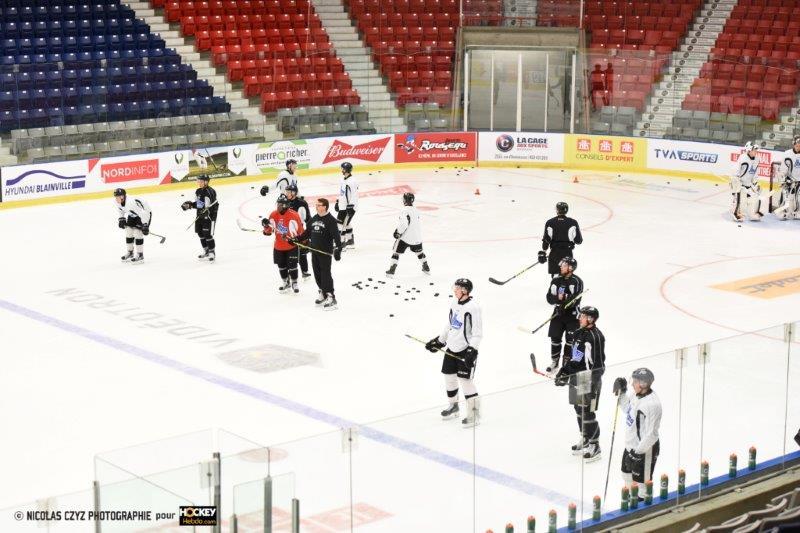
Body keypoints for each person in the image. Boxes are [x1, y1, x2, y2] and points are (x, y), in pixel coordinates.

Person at [425, 278, 483, 428]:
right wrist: (440, 341)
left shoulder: (474, 308)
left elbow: (477, 333)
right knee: (449, 378)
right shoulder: (454, 303)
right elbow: (450, 324)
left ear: (464, 290)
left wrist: (472, 350)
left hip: (465, 350)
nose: (454, 290)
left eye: (457, 288)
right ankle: (454, 406)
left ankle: (474, 414)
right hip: (452, 348)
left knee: (466, 382)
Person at [555, 306, 605, 461]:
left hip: (588, 378)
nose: (579, 318)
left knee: (587, 411)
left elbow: (598, 364)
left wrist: (593, 383)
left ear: (591, 319)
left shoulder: (595, 337)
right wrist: (564, 371)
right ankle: (585, 438)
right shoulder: (578, 333)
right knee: (578, 408)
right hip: (577, 376)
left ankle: (595, 444)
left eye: (583, 316)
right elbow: (574, 358)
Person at [290, 198, 342, 309]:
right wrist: (296, 239)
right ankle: (322, 292)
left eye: (319, 205)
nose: (316, 207)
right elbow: (306, 233)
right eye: (316, 205)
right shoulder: (314, 219)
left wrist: (338, 249)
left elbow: (337, 237)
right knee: (317, 273)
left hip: (325, 253)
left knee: (325, 274)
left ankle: (331, 296)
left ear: (325, 207)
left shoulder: (330, 220)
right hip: (314, 251)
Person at [613, 368, 662, 486]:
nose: (632, 384)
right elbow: (627, 409)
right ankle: (631, 503)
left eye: (635, 381)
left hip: (645, 451)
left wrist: (637, 454)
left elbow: (652, 435)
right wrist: (622, 393)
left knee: (642, 486)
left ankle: (642, 503)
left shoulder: (652, 405)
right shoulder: (636, 395)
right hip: (630, 447)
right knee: (626, 477)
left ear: (643, 384)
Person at [545, 257, 584, 375]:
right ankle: (555, 362)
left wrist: (565, 299)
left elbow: (576, 300)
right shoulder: (556, 280)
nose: (561, 266)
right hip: (558, 314)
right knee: (555, 338)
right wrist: (558, 299)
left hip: (572, 316)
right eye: (561, 264)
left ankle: (566, 364)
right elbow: (549, 298)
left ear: (571, 268)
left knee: (570, 340)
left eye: (564, 265)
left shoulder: (576, 281)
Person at [262, 194, 304, 293]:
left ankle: (294, 282)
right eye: (278, 204)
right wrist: (265, 226)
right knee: (281, 265)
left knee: (293, 265)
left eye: (281, 204)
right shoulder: (273, 215)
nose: (278, 206)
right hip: (279, 246)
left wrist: (301, 241)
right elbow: (269, 231)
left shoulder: (294, 215)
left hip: (291, 246)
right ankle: (285, 282)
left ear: (286, 205)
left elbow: (300, 231)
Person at [386, 192, 430, 277]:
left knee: (396, 253)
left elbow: (403, 224)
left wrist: (398, 233)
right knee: (420, 252)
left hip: (405, 238)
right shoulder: (416, 210)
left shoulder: (404, 210)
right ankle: (426, 266)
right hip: (417, 237)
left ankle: (392, 269)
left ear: (404, 200)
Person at [181, 174, 218, 261]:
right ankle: (206, 251)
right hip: (200, 216)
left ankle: (212, 252)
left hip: (209, 217)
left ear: (206, 182)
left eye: (201, 181)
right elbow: (199, 205)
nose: (199, 183)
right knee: (200, 233)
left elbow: (213, 205)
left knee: (207, 234)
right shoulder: (198, 191)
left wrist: (206, 213)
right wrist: (190, 205)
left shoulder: (211, 191)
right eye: (198, 181)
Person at [540, 202, 583, 277]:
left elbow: (546, 240)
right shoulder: (573, 222)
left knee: (555, 279)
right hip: (567, 254)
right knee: (566, 277)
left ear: (557, 210)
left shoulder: (550, 222)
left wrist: (543, 252)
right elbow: (579, 241)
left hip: (554, 254)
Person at [114, 188, 152, 264]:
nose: (117, 198)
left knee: (138, 233)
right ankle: (130, 253)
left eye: (119, 196)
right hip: (133, 214)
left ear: (123, 196)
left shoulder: (131, 203)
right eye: (116, 196)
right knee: (129, 232)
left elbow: (144, 213)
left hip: (144, 214)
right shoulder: (118, 201)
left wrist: (145, 225)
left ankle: (140, 255)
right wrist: (121, 218)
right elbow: (121, 210)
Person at [731, 141, 763, 222]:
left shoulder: (757, 159)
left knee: (755, 197)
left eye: (756, 150)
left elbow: (755, 173)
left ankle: (752, 214)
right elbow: (736, 171)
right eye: (754, 150)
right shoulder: (743, 158)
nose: (756, 152)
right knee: (740, 200)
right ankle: (735, 213)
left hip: (749, 184)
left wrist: (755, 183)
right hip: (740, 184)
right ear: (749, 150)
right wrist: (737, 181)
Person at [285, 183, 311, 279]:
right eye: (286, 191)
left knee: (302, 253)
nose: (287, 193)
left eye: (289, 191)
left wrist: (309, 233)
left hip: (300, 232)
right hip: (287, 232)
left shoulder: (301, 203)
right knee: (288, 253)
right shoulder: (284, 202)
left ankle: (305, 271)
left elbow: (308, 218)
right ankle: (288, 272)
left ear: (294, 192)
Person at [335, 161, 358, 250]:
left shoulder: (352, 181)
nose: (341, 170)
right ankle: (350, 242)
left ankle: (341, 244)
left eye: (342, 168)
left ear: (346, 170)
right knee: (346, 223)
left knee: (340, 225)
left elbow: (354, 194)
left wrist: (351, 206)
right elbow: (342, 193)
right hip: (343, 206)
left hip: (348, 207)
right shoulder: (343, 179)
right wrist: (338, 202)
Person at [777, 135, 800, 220]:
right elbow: (782, 170)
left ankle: (797, 212)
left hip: (799, 181)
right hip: (789, 180)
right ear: (793, 144)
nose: (798, 147)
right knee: (785, 196)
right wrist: (783, 180)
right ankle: (781, 212)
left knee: (798, 197)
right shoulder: (788, 154)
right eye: (797, 145)